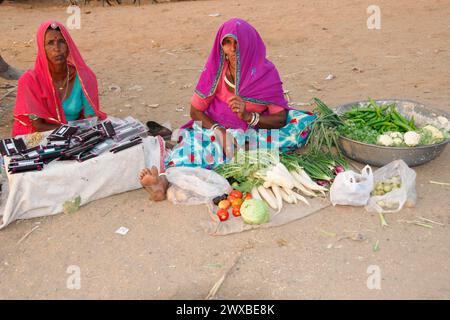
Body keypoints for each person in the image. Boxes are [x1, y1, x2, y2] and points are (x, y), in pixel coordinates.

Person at [139, 18, 316, 201]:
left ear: (248, 45)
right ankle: (162, 181)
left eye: (236, 44)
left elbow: (280, 118)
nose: (231, 49)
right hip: (215, 127)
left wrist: (249, 116)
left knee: (298, 126)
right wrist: (220, 132)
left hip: (254, 129)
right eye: (226, 43)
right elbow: (195, 112)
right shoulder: (215, 71)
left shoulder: (266, 72)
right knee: (197, 147)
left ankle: (236, 153)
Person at [12, 20, 106, 137]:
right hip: (40, 137)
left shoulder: (84, 77)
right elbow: (38, 125)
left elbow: (90, 118)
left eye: (61, 41)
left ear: (69, 45)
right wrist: (72, 130)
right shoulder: (29, 81)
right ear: (42, 48)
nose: (57, 48)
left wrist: (80, 133)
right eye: (50, 43)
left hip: (75, 136)